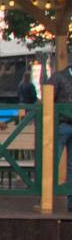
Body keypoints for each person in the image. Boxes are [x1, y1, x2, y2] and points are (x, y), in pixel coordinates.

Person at [47, 63, 72, 212]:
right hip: (61, 126)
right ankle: (45, 196)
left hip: (64, 125)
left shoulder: (57, 77)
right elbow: (48, 101)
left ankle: (71, 201)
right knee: (51, 161)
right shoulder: (58, 77)